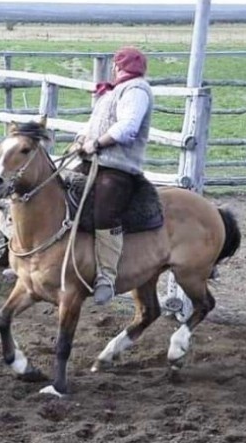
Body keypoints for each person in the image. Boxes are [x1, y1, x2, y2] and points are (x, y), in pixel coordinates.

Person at [73, 46, 154, 305]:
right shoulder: (112, 92)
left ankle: (106, 276)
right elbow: (93, 123)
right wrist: (81, 140)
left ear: (119, 67)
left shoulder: (136, 91)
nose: (114, 69)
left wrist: (96, 143)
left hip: (118, 167)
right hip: (93, 161)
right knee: (60, 191)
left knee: (104, 212)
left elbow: (128, 127)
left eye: (116, 65)